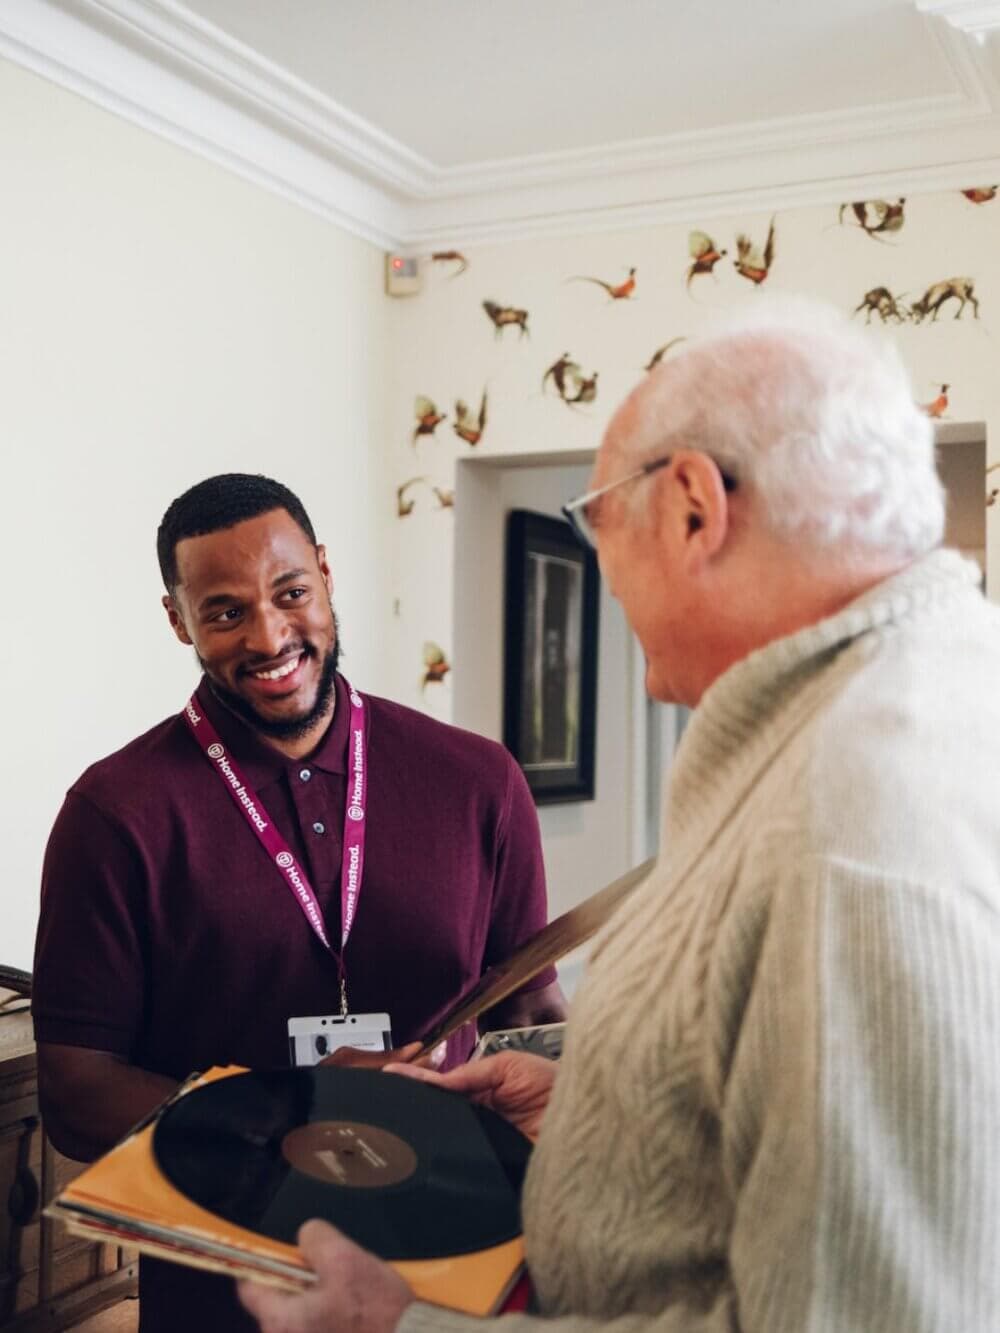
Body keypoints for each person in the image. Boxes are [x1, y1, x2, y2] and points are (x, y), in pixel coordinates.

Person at [240, 300, 1000, 1333]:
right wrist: (606, 1108)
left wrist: (400, 1328)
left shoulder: (854, 827)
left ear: (691, 505)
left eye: (595, 519)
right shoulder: (883, 718)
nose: (600, 563)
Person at [32, 473, 565, 1333]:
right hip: (223, 1298)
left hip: (458, 1288)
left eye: (290, 593)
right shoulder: (114, 812)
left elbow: (534, 1010)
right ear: (179, 621)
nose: (271, 635)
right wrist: (289, 1111)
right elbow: (74, 1092)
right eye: (226, 611)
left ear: (323, 571)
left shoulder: (478, 782)